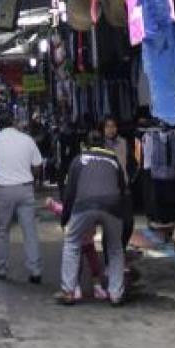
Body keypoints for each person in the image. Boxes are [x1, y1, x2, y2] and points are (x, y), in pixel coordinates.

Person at [57, 128, 127, 307]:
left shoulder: (78, 160)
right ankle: (116, 294)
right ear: (103, 144)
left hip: (84, 205)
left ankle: (68, 291)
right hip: (112, 206)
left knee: (72, 242)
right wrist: (124, 217)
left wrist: (65, 218)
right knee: (115, 248)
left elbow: (70, 192)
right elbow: (122, 189)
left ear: (85, 145)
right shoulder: (113, 160)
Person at [0, 112, 43, 284]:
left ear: (0, 125)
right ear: (14, 122)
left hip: (4, 190)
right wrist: (29, 178)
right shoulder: (27, 140)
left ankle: (0, 268)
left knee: (2, 231)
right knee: (30, 231)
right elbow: (38, 165)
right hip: (25, 188)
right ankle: (35, 271)